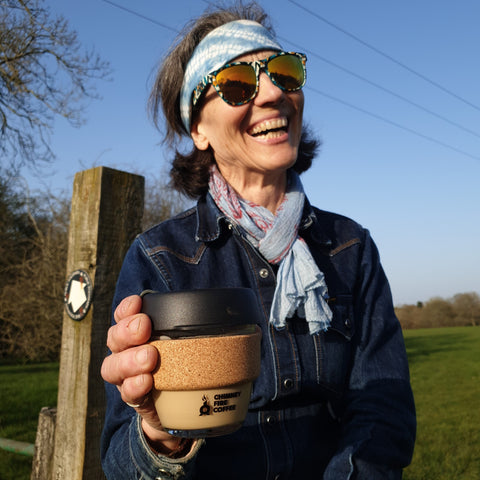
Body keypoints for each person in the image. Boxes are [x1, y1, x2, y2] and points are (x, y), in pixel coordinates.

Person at [100, 2, 416, 479]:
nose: (272, 93)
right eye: (237, 84)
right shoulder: (159, 258)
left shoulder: (350, 248)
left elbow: (382, 409)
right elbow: (121, 464)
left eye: (284, 72)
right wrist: (158, 437)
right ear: (198, 129)